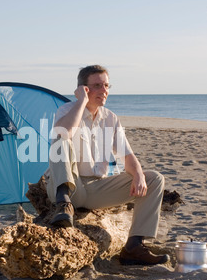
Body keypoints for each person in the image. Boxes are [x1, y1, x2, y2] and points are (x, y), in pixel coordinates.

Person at [45, 65, 169, 266]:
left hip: (96, 188)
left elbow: (127, 155)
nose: (103, 91)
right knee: (61, 138)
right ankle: (64, 204)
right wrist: (81, 102)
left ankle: (134, 247)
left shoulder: (111, 118)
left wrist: (137, 174)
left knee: (154, 178)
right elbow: (65, 132)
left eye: (106, 85)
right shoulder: (67, 110)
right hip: (67, 186)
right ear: (83, 89)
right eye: (96, 86)